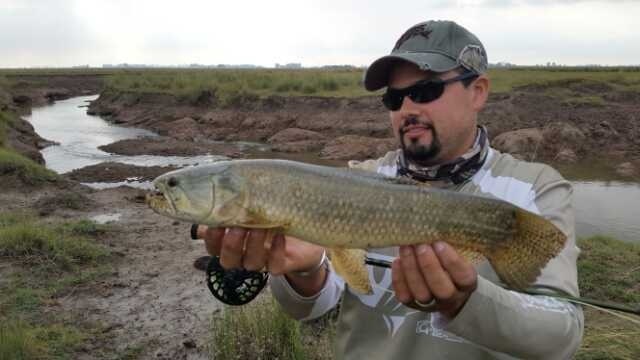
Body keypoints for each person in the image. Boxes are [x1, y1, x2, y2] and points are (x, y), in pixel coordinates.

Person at [196, 20, 584, 359]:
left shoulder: (535, 187)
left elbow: (562, 336)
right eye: (394, 98)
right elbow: (316, 304)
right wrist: (305, 270)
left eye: (427, 91)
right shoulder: (355, 178)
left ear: (478, 91)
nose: (407, 108)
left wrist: (467, 301)